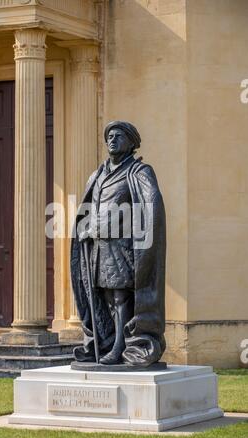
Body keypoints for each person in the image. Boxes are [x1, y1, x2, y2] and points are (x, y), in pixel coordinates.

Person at [70, 121, 166, 367]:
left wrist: (102, 227)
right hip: (99, 249)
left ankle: (120, 347)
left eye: (118, 136)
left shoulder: (139, 172)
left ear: (131, 143)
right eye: (109, 136)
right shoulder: (98, 174)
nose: (111, 140)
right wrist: (85, 227)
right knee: (105, 298)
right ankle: (105, 341)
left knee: (121, 297)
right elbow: (90, 207)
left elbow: (149, 208)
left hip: (123, 247)